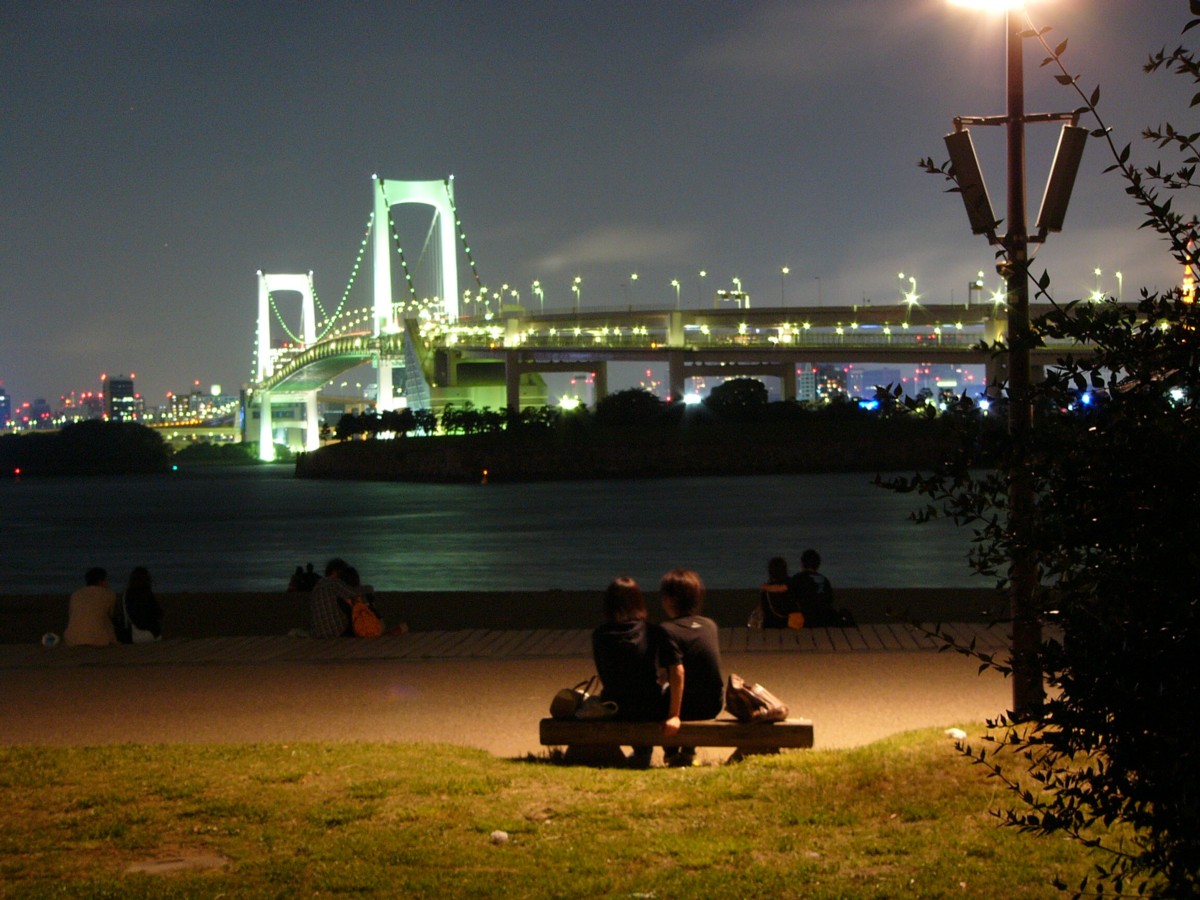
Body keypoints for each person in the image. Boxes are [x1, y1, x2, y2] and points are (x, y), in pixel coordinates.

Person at [592, 577, 668, 767]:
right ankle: (652, 752)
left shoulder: (600, 635)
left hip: (615, 705)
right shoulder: (651, 631)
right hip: (649, 705)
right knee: (658, 690)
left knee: (612, 692)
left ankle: (641, 753)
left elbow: (603, 674)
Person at [657, 568, 724, 767]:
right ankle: (688, 751)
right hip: (714, 703)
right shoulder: (709, 625)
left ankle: (670, 752)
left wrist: (674, 715)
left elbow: (677, 672)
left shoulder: (667, 629)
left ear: (669, 600)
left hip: (690, 707)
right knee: (688, 689)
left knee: (657, 696)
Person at [63, 567, 119, 647]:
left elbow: (71, 614)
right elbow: (111, 615)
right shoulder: (108, 594)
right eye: (106, 580)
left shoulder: (76, 594)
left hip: (72, 639)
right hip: (98, 639)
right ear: (101, 581)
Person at [790, 549, 846, 628]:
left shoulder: (797, 578)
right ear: (818, 565)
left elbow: (792, 598)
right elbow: (829, 600)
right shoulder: (824, 580)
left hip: (806, 619)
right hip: (825, 618)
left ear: (802, 564)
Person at [309, 558, 358, 638]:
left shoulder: (317, 586)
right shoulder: (334, 582)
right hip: (336, 631)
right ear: (335, 571)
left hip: (318, 633)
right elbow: (353, 596)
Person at [121, 566, 163, 640]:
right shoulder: (146, 594)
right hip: (149, 632)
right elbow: (158, 613)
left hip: (133, 633)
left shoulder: (126, 593)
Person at [759, 556, 797, 629]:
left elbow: (765, 609)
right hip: (791, 625)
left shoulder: (766, 589)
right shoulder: (792, 583)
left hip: (770, 626)